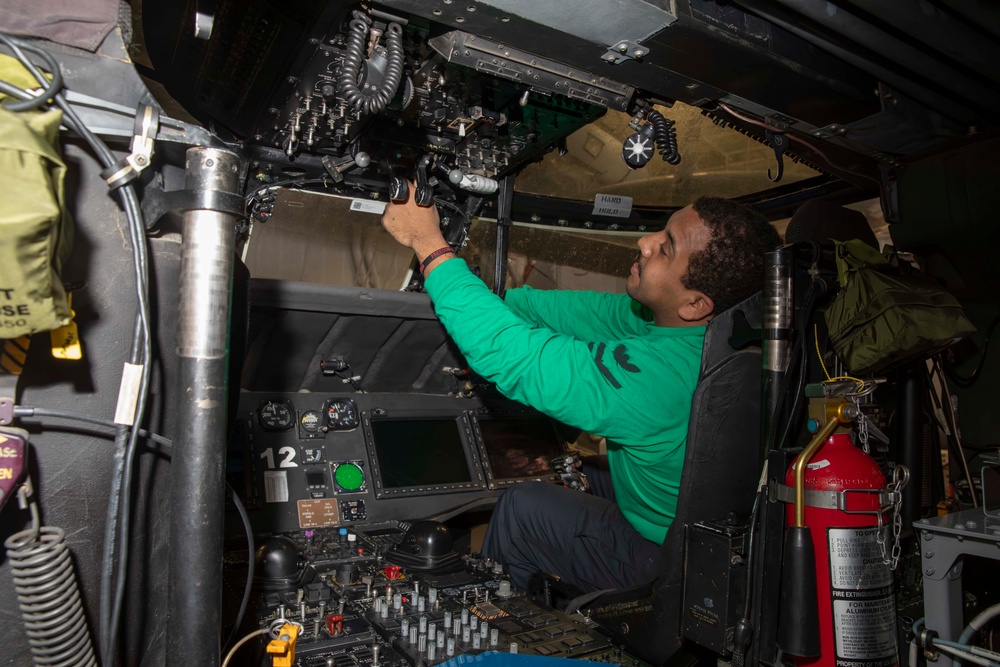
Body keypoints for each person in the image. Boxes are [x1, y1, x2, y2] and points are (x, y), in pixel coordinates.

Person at [381, 194, 781, 593]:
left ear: (695, 303)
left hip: (667, 561)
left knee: (524, 507)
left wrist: (429, 245)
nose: (646, 242)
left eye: (666, 247)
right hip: (686, 513)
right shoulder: (700, 335)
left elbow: (517, 358)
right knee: (560, 466)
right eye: (661, 230)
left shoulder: (661, 376)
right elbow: (558, 312)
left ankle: (497, 619)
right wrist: (475, 297)